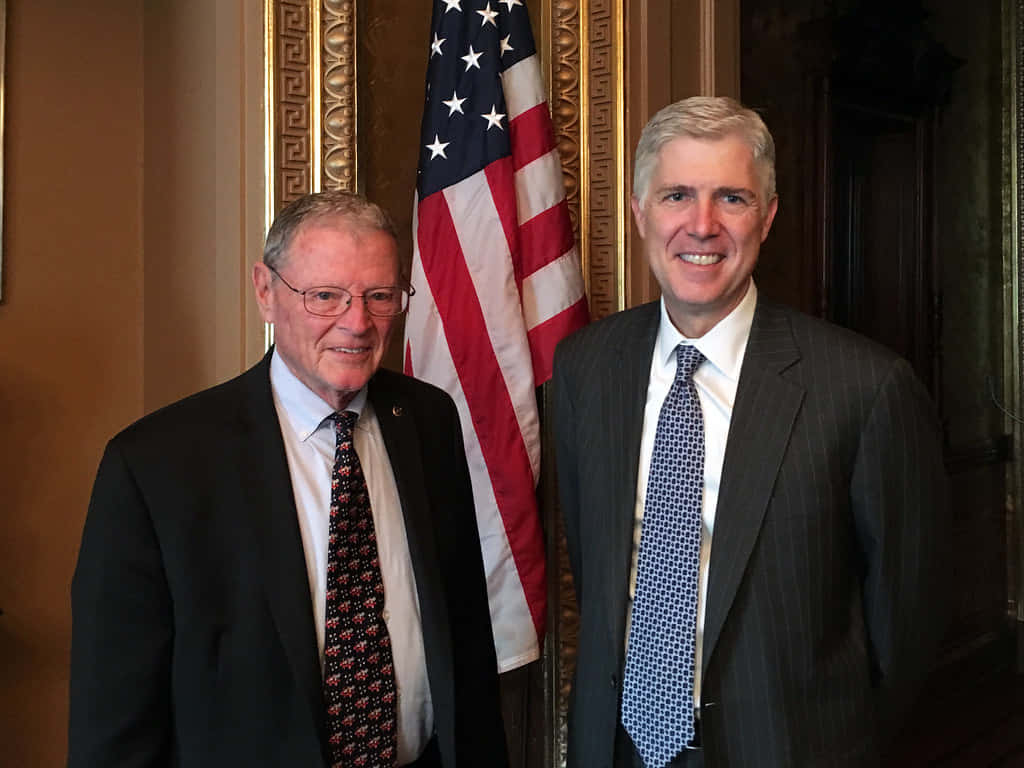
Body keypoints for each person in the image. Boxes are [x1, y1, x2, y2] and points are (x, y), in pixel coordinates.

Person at [552, 97, 949, 767]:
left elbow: (906, 623)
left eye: (731, 198)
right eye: (677, 195)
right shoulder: (585, 365)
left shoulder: (866, 386)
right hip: (617, 745)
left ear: (766, 217)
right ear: (640, 211)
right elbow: (596, 562)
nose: (701, 226)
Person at [69, 191, 508, 768]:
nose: (357, 323)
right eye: (325, 296)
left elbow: (466, 640)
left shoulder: (427, 419)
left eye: (379, 296)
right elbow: (115, 722)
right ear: (266, 292)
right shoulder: (155, 466)